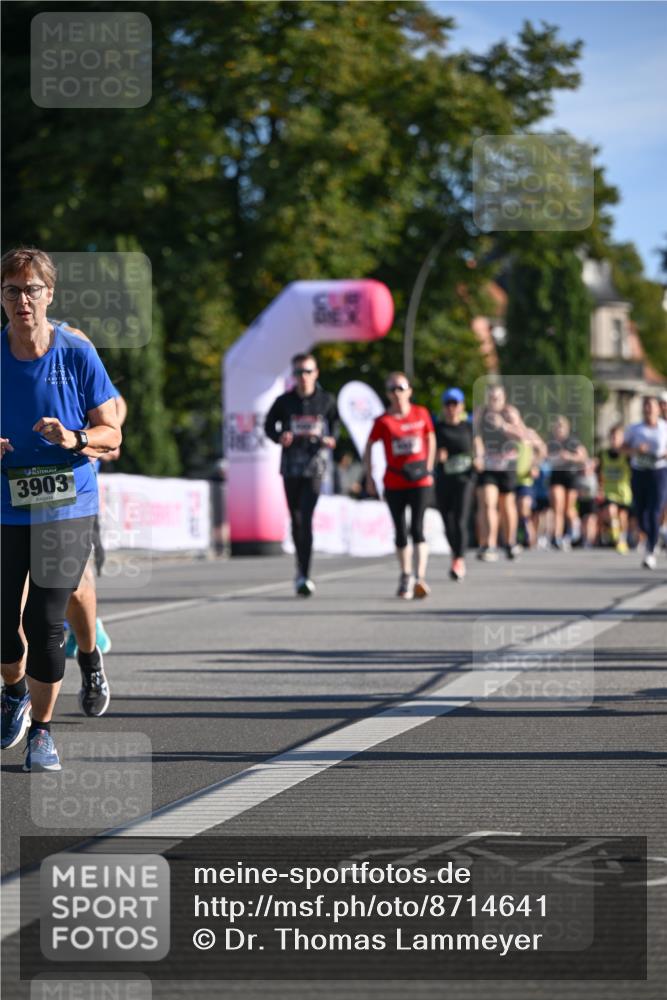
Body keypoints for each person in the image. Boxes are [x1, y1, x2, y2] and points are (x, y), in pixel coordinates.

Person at [1, 247, 121, 770]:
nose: (22, 300)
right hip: (6, 504)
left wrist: (75, 438)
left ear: (49, 294)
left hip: (67, 503)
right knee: (4, 623)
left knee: (46, 619)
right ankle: (14, 693)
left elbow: (112, 432)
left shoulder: (76, 352)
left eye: (32, 290)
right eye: (12, 290)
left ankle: (43, 733)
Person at [264, 352, 339, 596]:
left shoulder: (326, 400)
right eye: (298, 372)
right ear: (293, 375)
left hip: (314, 465)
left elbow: (335, 425)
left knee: (306, 518)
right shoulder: (284, 401)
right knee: (296, 519)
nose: (303, 376)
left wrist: (331, 439)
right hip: (291, 466)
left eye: (308, 371)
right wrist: (280, 437)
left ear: (316, 373)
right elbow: (269, 426)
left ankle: (305, 574)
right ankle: (300, 567)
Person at [363, 372, 436, 599]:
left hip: (420, 479)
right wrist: (370, 476)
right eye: (392, 389)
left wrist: (429, 467)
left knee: (418, 527)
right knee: (400, 530)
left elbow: (431, 438)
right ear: (387, 394)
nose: (397, 393)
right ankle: (406, 575)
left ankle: (420, 578)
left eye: (401, 388)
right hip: (394, 480)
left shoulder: (421, 413)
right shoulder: (383, 420)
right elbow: (369, 446)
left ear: (409, 391)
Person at [473, 384, 524, 561]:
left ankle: (510, 542)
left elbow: (522, 437)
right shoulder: (481, 413)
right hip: (487, 464)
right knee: (488, 502)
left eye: (497, 398)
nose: (494, 401)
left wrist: (503, 426)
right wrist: (478, 456)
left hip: (507, 463)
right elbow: (476, 436)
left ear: (504, 398)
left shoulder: (510, 413)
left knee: (506, 504)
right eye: (491, 398)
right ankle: (489, 544)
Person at [433, 387, 475, 581]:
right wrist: (437, 457)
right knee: (447, 520)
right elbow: (429, 453)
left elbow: (479, 448)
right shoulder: (437, 428)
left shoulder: (469, 427)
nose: (451, 408)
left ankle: (459, 559)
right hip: (444, 478)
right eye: (448, 404)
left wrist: (478, 459)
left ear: (461, 406)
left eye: (455, 404)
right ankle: (455, 553)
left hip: (465, 479)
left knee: (460, 519)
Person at [623, 396, 667, 570]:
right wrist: (636, 450)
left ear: (658, 409)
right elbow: (622, 448)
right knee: (641, 513)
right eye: (646, 406)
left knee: (654, 511)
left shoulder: (664, 428)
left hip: (659, 472)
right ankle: (653, 536)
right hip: (639, 472)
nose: (648, 409)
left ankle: (650, 550)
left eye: (651, 406)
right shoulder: (634, 429)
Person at [547, 414, 588, 550]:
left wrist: (569, 457)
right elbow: (543, 455)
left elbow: (583, 457)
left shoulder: (573, 442)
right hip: (556, 476)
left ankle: (574, 530)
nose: (558, 429)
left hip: (571, 476)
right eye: (556, 426)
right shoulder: (551, 442)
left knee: (568, 508)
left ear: (567, 428)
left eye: (561, 426)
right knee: (557, 506)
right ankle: (556, 536)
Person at [599, 423, 632, 554]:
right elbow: (599, 472)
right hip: (609, 491)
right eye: (612, 437)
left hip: (624, 492)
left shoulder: (627, 455)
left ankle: (623, 539)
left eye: (617, 437)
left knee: (622, 518)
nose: (614, 440)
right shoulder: (604, 454)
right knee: (611, 511)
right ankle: (617, 539)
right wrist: (600, 487)